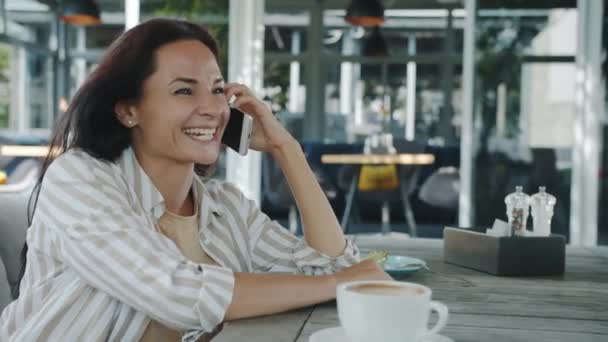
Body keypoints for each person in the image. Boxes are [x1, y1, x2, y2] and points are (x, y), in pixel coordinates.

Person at [0, 18, 390, 341]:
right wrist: (342, 282)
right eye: (184, 91)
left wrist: (286, 149)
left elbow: (333, 267)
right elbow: (176, 291)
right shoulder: (79, 179)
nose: (212, 108)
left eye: (218, 90)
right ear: (128, 110)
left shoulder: (225, 206)